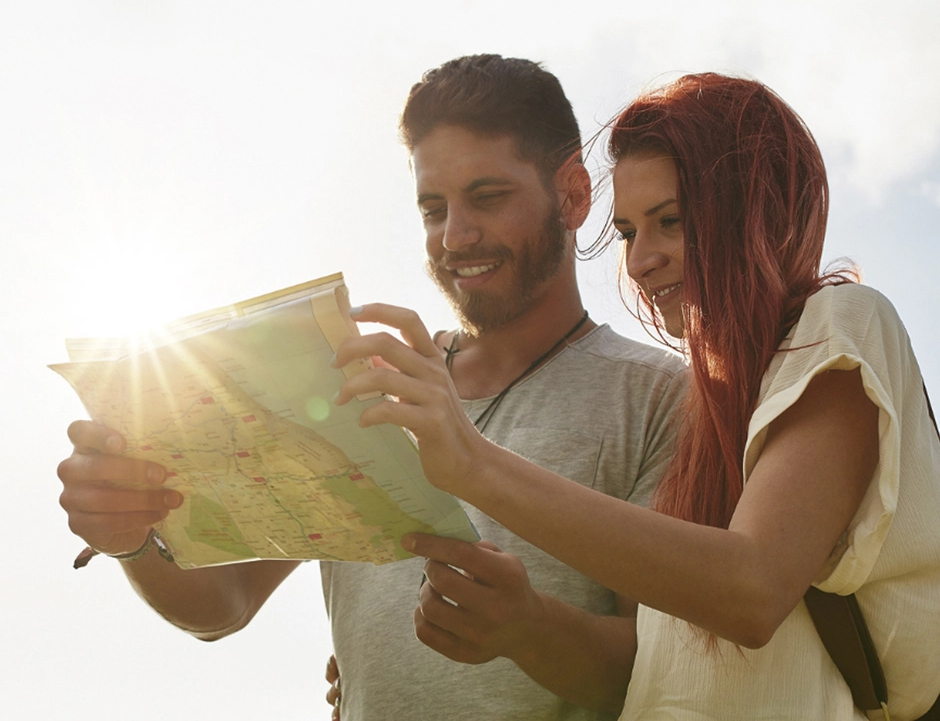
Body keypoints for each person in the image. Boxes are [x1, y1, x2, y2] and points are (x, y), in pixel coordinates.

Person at [58, 55, 688, 721]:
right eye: (433, 208)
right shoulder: (365, 382)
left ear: (572, 195)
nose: (455, 236)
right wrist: (131, 535)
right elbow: (224, 604)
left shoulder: (658, 398)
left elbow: (663, 674)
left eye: (488, 197)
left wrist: (530, 630)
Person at [333, 72, 940, 719]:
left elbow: (753, 588)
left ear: (755, 207)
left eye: (670, 222)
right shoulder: (715, 399)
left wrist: (474, 464)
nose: (642, 259)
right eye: (627, 233)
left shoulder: (843, 323)